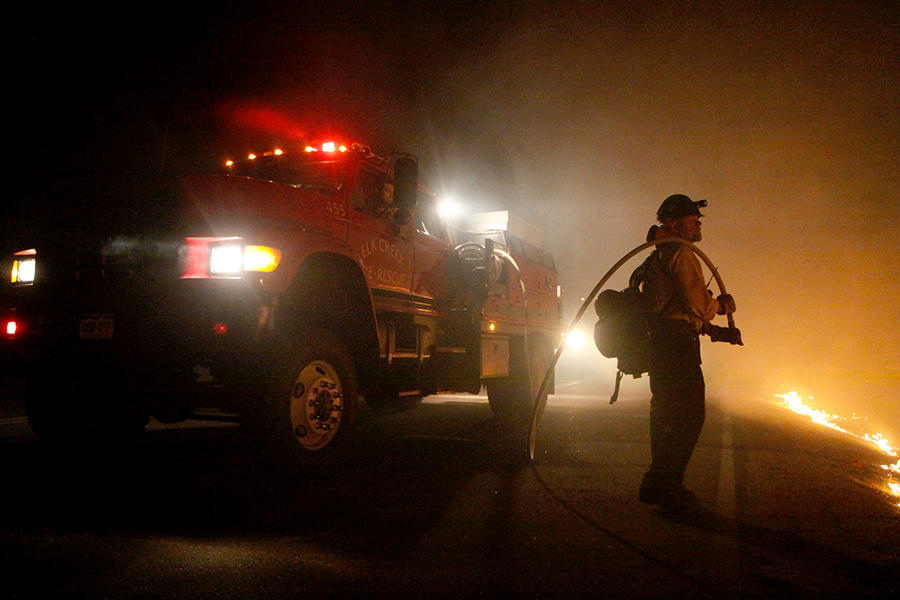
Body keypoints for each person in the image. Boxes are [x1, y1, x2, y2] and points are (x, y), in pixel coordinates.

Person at [638, 194, 738, 513]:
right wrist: (720, 306)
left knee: (667, 413)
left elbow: (672, 306)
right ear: (673, 223)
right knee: (689, 414)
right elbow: (697, 304)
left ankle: (663, 483)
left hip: (664, 342)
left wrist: (713, 331)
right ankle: (664, 483)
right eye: (693, 219)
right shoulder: (680, 252)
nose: (698, 224)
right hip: (675, 345)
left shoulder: (660, 254)